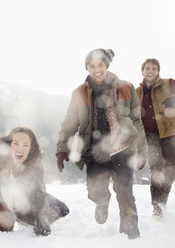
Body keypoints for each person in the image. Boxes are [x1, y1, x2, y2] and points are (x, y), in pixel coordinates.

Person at [55, 48, 148, 239]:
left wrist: (141, 151)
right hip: (95, 152)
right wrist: (62, 149)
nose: (97, 69)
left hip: (123, 150)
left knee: (126, 195)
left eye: (100, 65)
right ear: (87, 68)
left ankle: (130, 236)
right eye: (92, 66)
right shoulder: (79, 93)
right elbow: (70, 124)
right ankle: (101, 202)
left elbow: (137, 121)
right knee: (95, 191)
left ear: (106, 65)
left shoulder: (126, 88)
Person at [0, 127, 69, 236]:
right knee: (3, 228)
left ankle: (26, 219)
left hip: (28, 201)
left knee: (61, 210)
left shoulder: (35, 165)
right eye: (16, 143)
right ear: (9, 144)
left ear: (31, 148)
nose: (20, 148)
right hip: (4, 202)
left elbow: (39, 192)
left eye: (25, 145)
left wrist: (39, 217)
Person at [136, 58, 175, 218]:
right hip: (150, 137)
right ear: (142, 71)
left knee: (169, 172)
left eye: (154, 69)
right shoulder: (137, 92)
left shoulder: (168, 83)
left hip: (169, 134)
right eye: (147, 68)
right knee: (156, 171)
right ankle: (157, 207)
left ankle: (162, 202)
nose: (151, 71)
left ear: (158, 72)